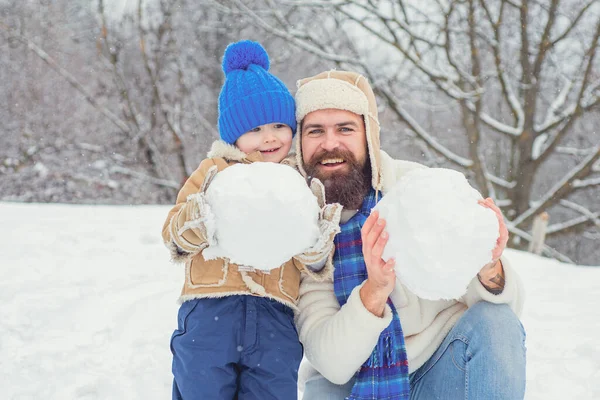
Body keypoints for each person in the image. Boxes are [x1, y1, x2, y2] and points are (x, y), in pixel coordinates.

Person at [292, 70, 526, 399]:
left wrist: (488, 267)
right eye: (316, 131)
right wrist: (373, 292)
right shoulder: (301, 228)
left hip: (441, 367)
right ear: (300, 143)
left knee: (496, 322)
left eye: (345, 129)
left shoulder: (416, 189)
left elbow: (503, 318)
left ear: (368, 136)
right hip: (355, 382)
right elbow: (330, 361)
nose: (330, 144)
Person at [161, 41, 341, 400]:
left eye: (278, 124)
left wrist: (316, 245)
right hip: (211, 308)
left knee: (271, 390)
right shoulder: (214, 172)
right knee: (201, 386)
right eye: (255, 129)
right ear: (234, 134)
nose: (270, 137)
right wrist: (199, 217)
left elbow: (314, 261)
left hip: (276, 316)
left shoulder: (300, 183)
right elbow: (173, 235)